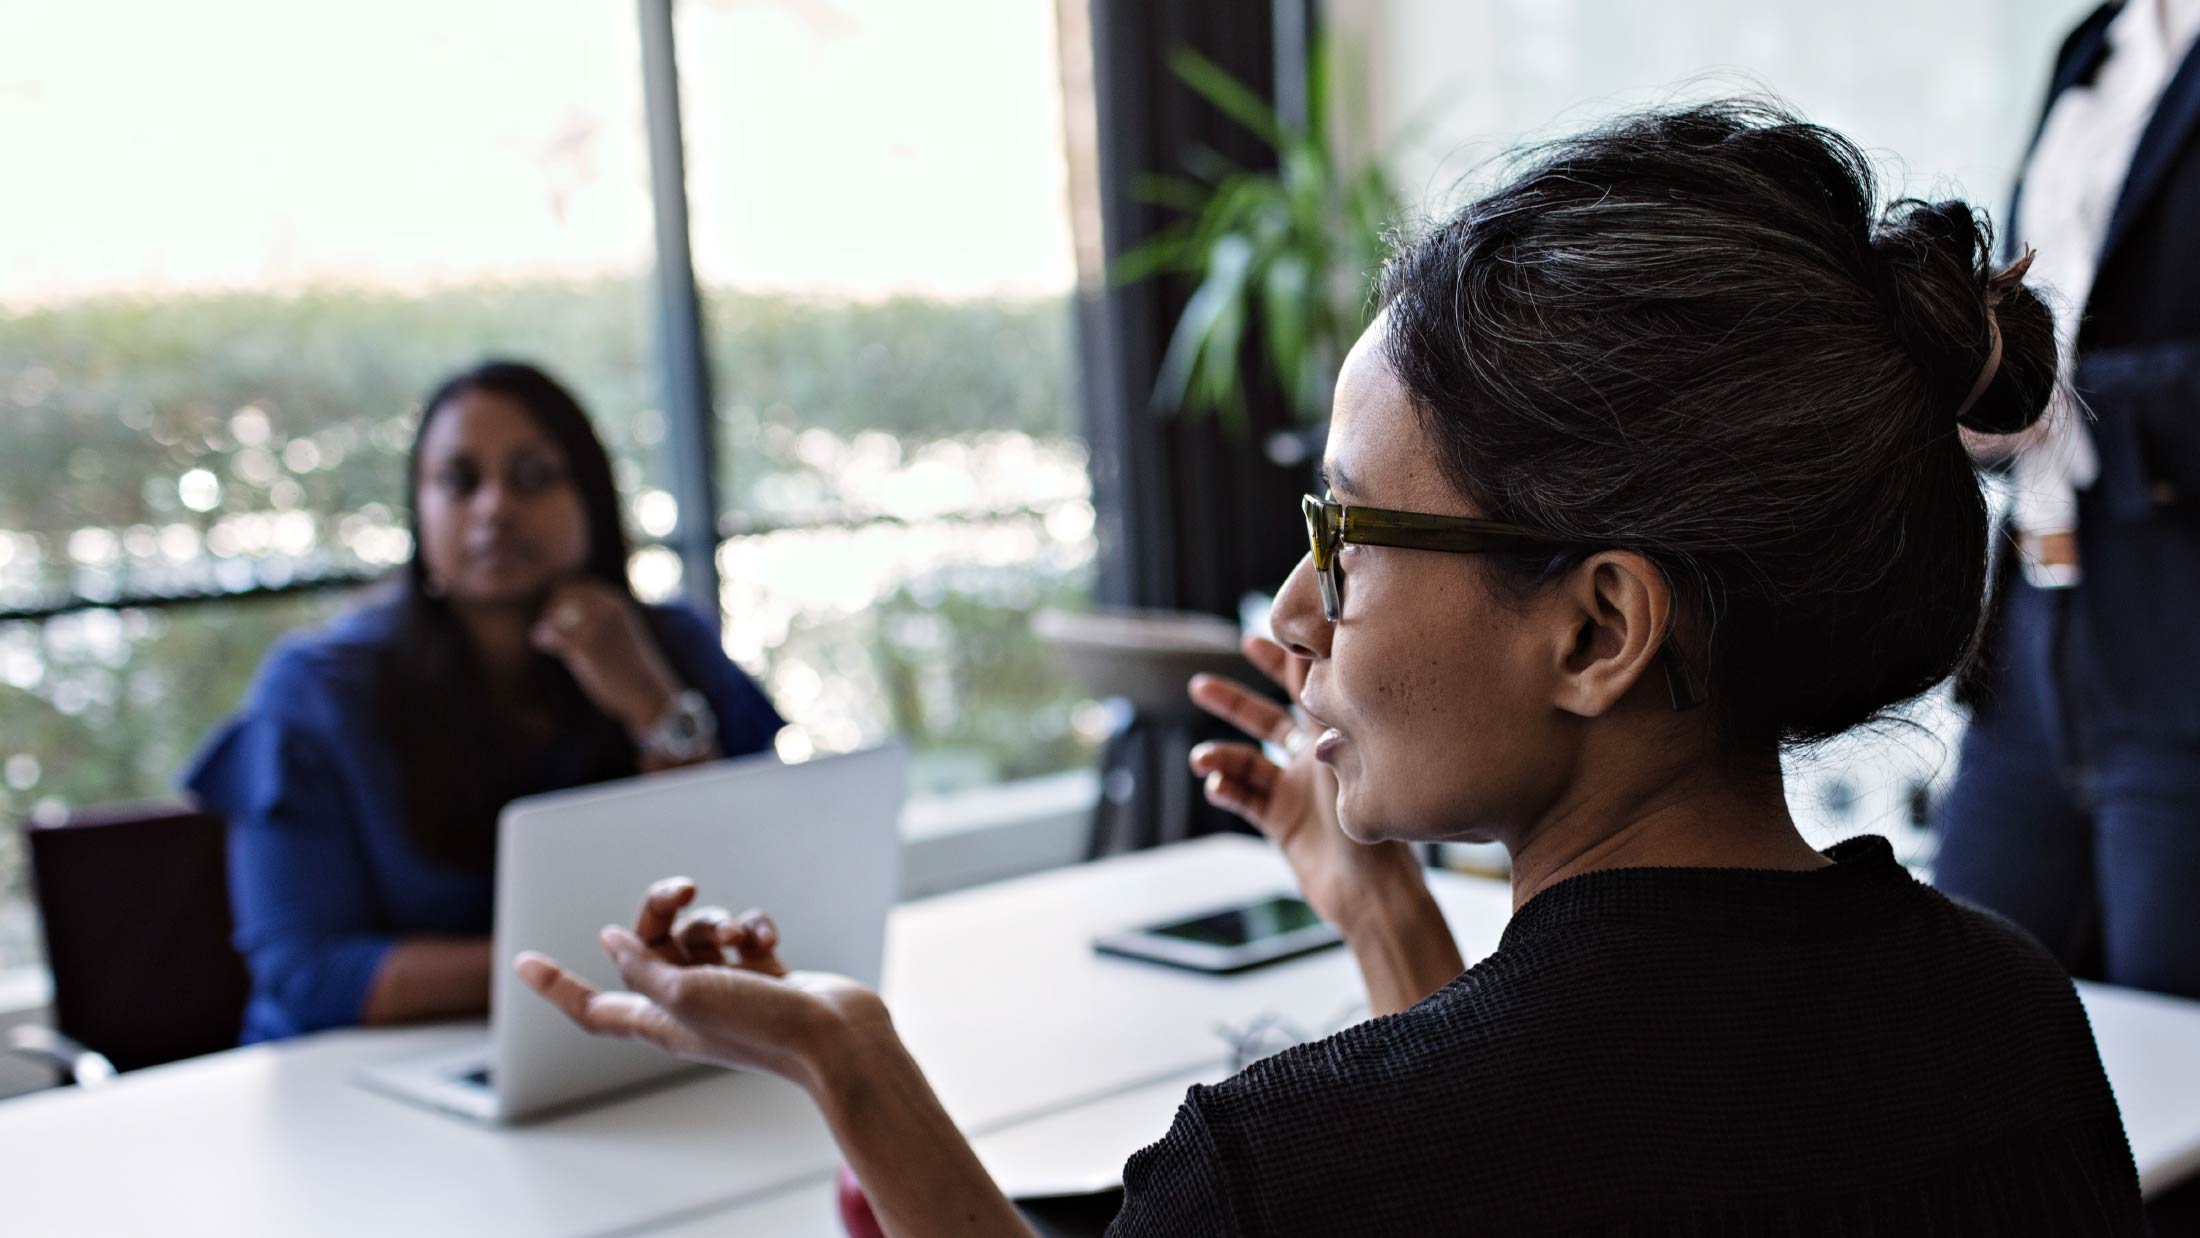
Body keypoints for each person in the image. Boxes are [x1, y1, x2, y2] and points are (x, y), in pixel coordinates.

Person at [514, 104, 2145, 1234]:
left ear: (1597, 629)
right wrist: (1378, 905)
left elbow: (1490, 1141)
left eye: (1347, 536)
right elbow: (1591, 1116)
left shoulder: (1295, 1169)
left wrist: (844, 1058)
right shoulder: (2006, 1013)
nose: (1292, 611)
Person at [185, 360, 783, 1044]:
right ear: (419, 510)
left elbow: (747, 886)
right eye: (459, 482)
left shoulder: (672, 644)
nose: (495, 507)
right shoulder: (320, 687)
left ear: (591, 496)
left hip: (611, 1054)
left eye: (532, 476)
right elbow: (310, 974)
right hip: (360, 1080)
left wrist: (654, 707)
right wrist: (609, 968)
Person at [1934, 0, 2200, 1001]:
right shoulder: (2096, 42)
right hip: (2030, 634)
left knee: (2177, 1057)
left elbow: (2059, 378)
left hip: (2177, 647)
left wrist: (2060, 403)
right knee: (1959, 1010)